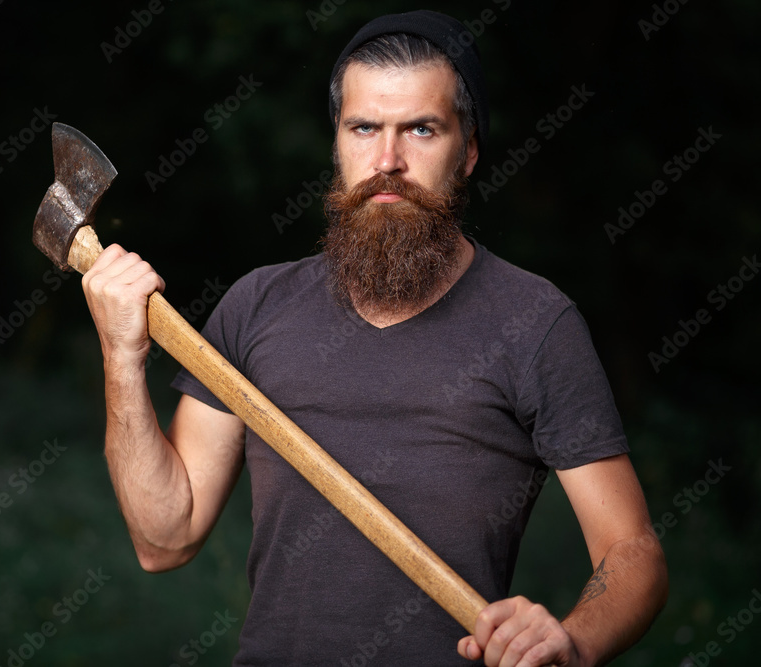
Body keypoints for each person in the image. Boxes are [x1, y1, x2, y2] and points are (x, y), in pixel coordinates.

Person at [81, 10, 667, 666]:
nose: (388, 162)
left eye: (422, 128)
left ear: (468, 149)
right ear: (338, 143)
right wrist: (121, 355)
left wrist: (573, 637)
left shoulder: (535, 323)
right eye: (364, 128)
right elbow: (164, 538)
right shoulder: (255, 306)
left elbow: (633, 551)